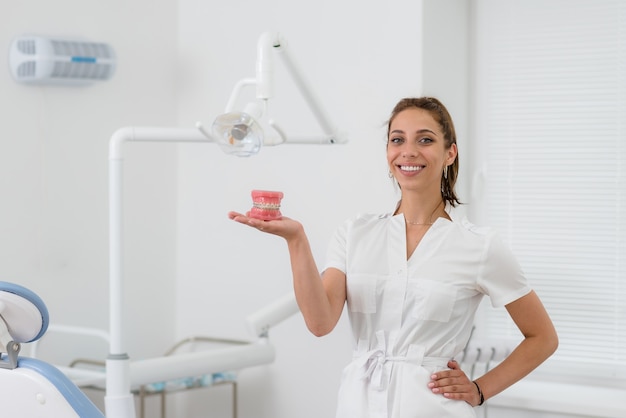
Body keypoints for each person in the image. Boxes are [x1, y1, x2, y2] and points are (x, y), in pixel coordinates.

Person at [228, 97, 558, 417]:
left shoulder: (478, 246)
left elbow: (542, 338)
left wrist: (479, 389)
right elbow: (320, 322)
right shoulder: (355, 233)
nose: (409, 151)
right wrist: (296, 240)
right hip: (356, 406)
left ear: (449, 153)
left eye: (425, 139)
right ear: (388, 152)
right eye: (397, 139)